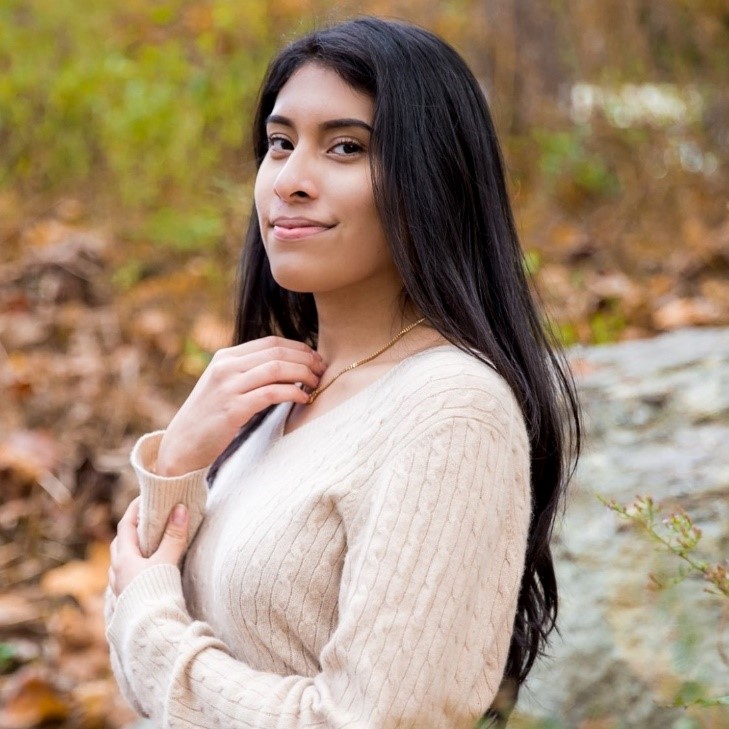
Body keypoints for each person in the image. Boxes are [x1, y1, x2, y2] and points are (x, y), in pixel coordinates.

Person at [104, 16, 580, 728]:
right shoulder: (281, 395)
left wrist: (150, 630)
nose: (290, 181)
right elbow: (135, 663)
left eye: (346, 147)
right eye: (279, 143)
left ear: (432, 178)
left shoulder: (451, 410)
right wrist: (179, 458)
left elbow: (367, 719)